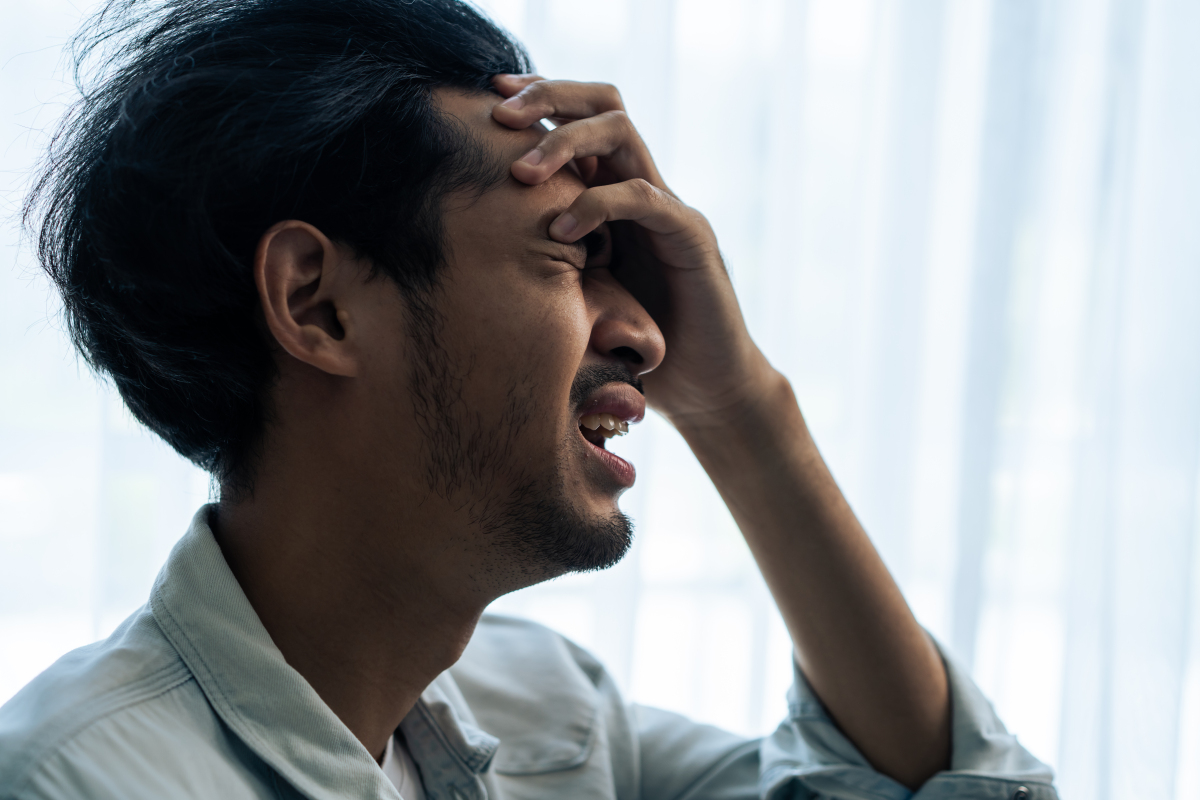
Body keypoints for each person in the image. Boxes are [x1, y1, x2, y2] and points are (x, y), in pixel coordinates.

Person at [0, 1, 1055, 798]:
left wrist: (741, 405)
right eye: (575, 258)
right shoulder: (75, 776)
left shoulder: (556, 712)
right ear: (317, 305)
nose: (647, 331)